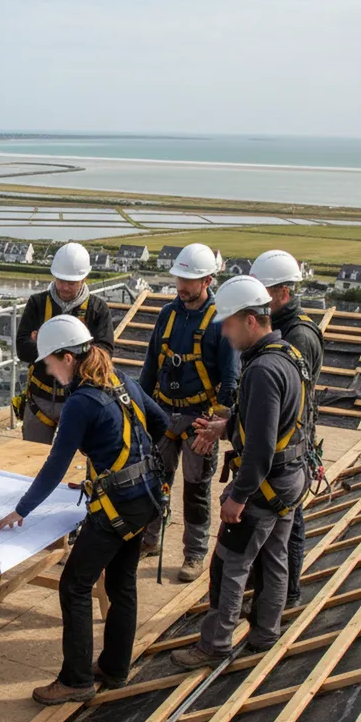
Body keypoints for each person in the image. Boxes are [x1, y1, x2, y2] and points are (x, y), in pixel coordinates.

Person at [0, 315, 168, 705]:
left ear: (67, 358)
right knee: (121, 582)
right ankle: (115, 668)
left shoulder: (80, 402)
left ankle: (75, 680)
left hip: (117, 507)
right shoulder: (121, 380)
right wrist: (114, 467)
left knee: (75, 584)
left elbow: (56, 464)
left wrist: (21, 510)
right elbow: (160, 423)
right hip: (146, 497)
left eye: (50, 364)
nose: (49, 372)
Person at [171, 275, 310, 669]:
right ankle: (265, 633)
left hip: (264, 484)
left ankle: (215, 644)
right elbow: (276, 422)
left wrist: (239, 495)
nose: (225, 334)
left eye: (229, 324)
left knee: (230, 565)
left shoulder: (263, 370)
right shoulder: (287, 356)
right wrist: (227, 426)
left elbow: (262, 446)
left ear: (251, 321)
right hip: (289, 478)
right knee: (275, 557)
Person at [139, 243, 239, 583]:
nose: (182, 286)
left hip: (200, 417)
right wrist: (140, 408)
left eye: (189, 279)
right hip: (164, 412)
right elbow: (152, 363)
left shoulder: (220, 320)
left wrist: (215, 426)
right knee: (155, 480)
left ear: (208, 279)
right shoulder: (168, 314)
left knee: (196, 490)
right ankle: (150, 538)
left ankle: (195, 554)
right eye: (180, 277)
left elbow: (230, 376)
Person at [250, 250, 323, 608]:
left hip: (288, 450)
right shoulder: (282, 328)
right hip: (282, 446)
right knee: (278, 524)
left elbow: (292, 404)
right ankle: (270, 594)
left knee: (288, 524)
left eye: (265, 292)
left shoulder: (299, 337)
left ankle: (287, 595)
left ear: (284, 293)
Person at [15, 242, 115, 444]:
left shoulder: (97, 309)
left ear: (84, 278)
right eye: (60, 280)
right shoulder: (38, 303)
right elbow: (22, 349)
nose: (64, 287)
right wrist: (76, 350)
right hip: (39, 399)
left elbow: (104, 353)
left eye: (71, 282)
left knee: (74, 463)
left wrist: (45, 343)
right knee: (29, 458)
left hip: (79, 399)